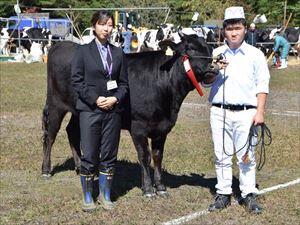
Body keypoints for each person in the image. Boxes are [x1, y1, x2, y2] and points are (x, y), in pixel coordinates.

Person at [207, 6, 270, 214]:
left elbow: (262, 85)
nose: (234, 32)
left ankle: (248, 193)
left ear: (245, 29)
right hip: (219, 111)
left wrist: (260, 112)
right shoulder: (216, 53)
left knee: (246, 156)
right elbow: (207, 83)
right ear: (224, 30)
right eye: (230, 29)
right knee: (221, 155)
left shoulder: (255, 54)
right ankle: (223, 193)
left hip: (246, 112)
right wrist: (215, 71)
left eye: (238, 28)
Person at [71, 10, 128, 212]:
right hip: (90, 110)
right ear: (94, 25)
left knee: (109, 154)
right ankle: (88, 196)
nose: (106, 28)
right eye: (102, 24)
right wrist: (95, 99)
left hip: (113, 111)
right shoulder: (83, 52)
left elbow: (124, 84)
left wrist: (115, 98)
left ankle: (105, 195)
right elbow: (76, 81)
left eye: (110, 25)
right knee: (90, 154)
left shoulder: (119, 53)